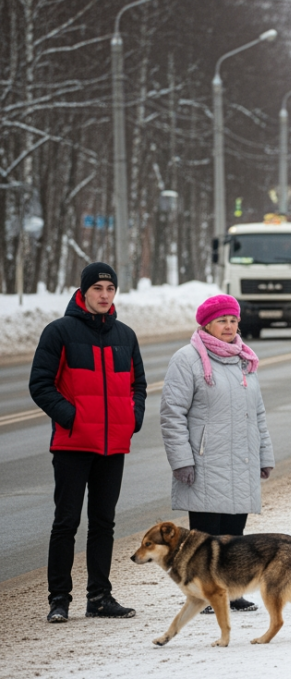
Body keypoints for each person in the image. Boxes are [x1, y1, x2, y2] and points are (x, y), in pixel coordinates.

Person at [29, 263, 146, 623]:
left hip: (113, 446)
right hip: (73, 444)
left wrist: (132, 419)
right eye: (97, 288)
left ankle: (99, 597)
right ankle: (59, 599)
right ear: (83, 291)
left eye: (110, 288)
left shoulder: (125, 335)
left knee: (103, 522)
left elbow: (138, 385)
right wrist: (73, 418)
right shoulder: (59, 332)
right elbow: (41, 385)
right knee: (66, 522)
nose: (104, 294)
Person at [160, 294, 273, 614]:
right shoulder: (187, 359)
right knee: (205, 538)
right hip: (205, 461)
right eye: (222, 320)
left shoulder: (244, 359)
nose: (229, 326)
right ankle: (208, 594)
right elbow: (172, 413)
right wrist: (181, 459)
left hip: (241, 459)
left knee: (234, 534)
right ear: (206, 324)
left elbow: (258, 414)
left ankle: (232, 592)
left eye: (233, 320)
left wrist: (265, 455)